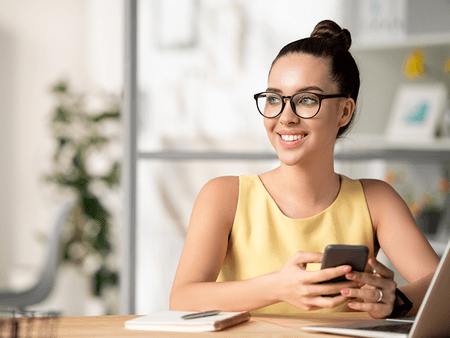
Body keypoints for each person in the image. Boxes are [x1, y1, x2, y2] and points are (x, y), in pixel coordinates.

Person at [169, 20, 439, 319]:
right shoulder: (224, 195)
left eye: (307, 100)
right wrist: (277, 288)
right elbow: (183, 298)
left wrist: (395, 300)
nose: (285, 117)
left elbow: (443, 288)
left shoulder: (376, 199)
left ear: (344, 112)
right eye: (274, 99)